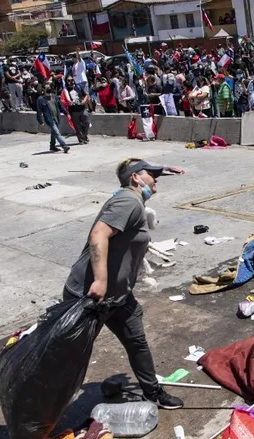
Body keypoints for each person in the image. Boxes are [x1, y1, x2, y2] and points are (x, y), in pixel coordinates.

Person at [64, 158, 184, 410]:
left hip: (118, 297)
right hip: (89, 296)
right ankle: (39, 400)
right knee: (70, 355)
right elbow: (99, 234)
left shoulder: (133, 199)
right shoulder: (128, 201)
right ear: (135, 178)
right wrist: (99, 280)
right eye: (150, 174)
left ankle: (151, 391)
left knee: (136, 340)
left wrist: (169, 170)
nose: (155, 178)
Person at [36, 83, 70, 153]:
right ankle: (64, 146)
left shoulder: (54, 97)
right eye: (46, 88)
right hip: (50, 120)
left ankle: (52, 146)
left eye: (49, 87)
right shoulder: (40, 99)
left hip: (57, 117)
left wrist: (66, 113)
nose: (48, 89)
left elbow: (61, 106)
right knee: (57, 132)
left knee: (54, 132)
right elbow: (39, 111)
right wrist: (40, 121)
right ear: (43, 89)